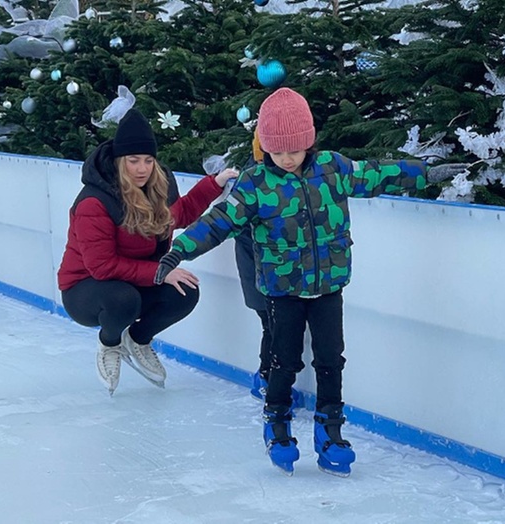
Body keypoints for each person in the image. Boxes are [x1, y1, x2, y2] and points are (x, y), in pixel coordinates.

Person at [155, 87, 453, 476]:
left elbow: (376, 174)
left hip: (329, 285)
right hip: (283, 290)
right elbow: (219, 222)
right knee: (285, 360)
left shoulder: (333, 169)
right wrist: (179, 251)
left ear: (308, 142)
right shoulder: (255, 183)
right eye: (278, 151)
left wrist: (425, 174)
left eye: (293, 149)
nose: (287, 158)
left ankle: (330, 432)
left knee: (331, 359)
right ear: (266, 148)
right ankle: (277, 423)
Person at [57, 108, 238, 396]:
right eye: (133, 161)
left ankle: (138, 340)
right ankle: (110, 342)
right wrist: (160, 272)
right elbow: (102, 267)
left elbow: (180, 214)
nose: (142, 168)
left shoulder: (158, 186)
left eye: (148, 160)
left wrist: (214, 184)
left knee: (185, 291)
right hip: (86, 289)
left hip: (135, 280)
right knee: (123, 300)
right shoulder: (96, 202)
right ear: (119, 161)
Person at [232, 131, 303, 409]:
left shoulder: (268, 175)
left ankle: (267, 379)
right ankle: (266, 379)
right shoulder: (255, 180)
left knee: (275, 327)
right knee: (273, 327)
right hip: (260, 274)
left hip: (269, 273)